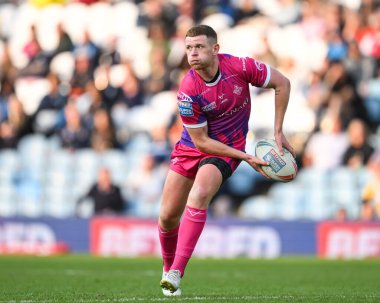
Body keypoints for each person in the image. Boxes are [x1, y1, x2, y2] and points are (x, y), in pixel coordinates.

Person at [158, 25, 293, 296]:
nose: (193, 53)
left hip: (226, 148)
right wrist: (246, 157)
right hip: (193, 146)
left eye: (199, 47)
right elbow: (201, 142)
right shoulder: (187, 90)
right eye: (188, 48)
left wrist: (278, 131)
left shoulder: (240, 67)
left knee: (199, 194)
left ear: (215, 49)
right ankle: (166, 266)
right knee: (167, 217)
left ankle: (176, 273)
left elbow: (283, 83)